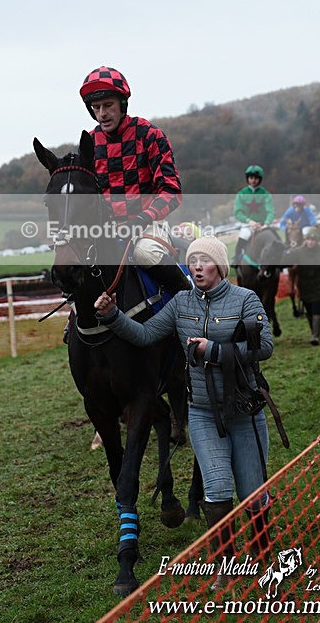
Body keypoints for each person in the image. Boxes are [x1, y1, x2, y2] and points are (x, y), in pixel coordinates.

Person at [94, 235, 274, 590]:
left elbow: (265, 347)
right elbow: (145, 335)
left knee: (252, 492)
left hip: (245, 410)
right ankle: (226, 565)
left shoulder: (245, 299)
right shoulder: (180, 303)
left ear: (220, 266)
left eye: (205, 261)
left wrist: (214, 350)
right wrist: (112, 316)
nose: (197, 268)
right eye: (192, 262)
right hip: (204, 413)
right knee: (217, 489)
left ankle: (263, 552)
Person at [80, 65, 190, 293]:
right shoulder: (89, 144)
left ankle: (190, 299)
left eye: (108, 105)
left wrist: (142, 219)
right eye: (96, 107)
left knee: (145, 253)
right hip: (107, 231)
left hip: (149, 224)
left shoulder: (149, 135)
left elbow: (171, 191)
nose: (102, 114)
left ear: (122, 104)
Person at [283, 227, 320, 345]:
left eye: (313, 240)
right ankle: (314, 331)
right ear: (305, 240)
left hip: (318, 283)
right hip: (304, 285)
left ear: (317, 241)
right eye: (309, 240)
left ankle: (315, 335)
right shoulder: (298, 251)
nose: (311, 242)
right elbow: (286, 261)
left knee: (317, 307)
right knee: (309, 309)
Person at [233, 165, 275, 265]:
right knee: (243, 236)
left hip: (263, 225)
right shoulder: (241, 194)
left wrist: (266, 224)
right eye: (251, 178)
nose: (253, 181)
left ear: (260, 179)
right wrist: (249, 221)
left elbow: (271, 212)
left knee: (276, 238)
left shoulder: (265, 194)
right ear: (247, 178)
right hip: (248, 225)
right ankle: (236, 259)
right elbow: (237, 213)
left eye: (256, 178)